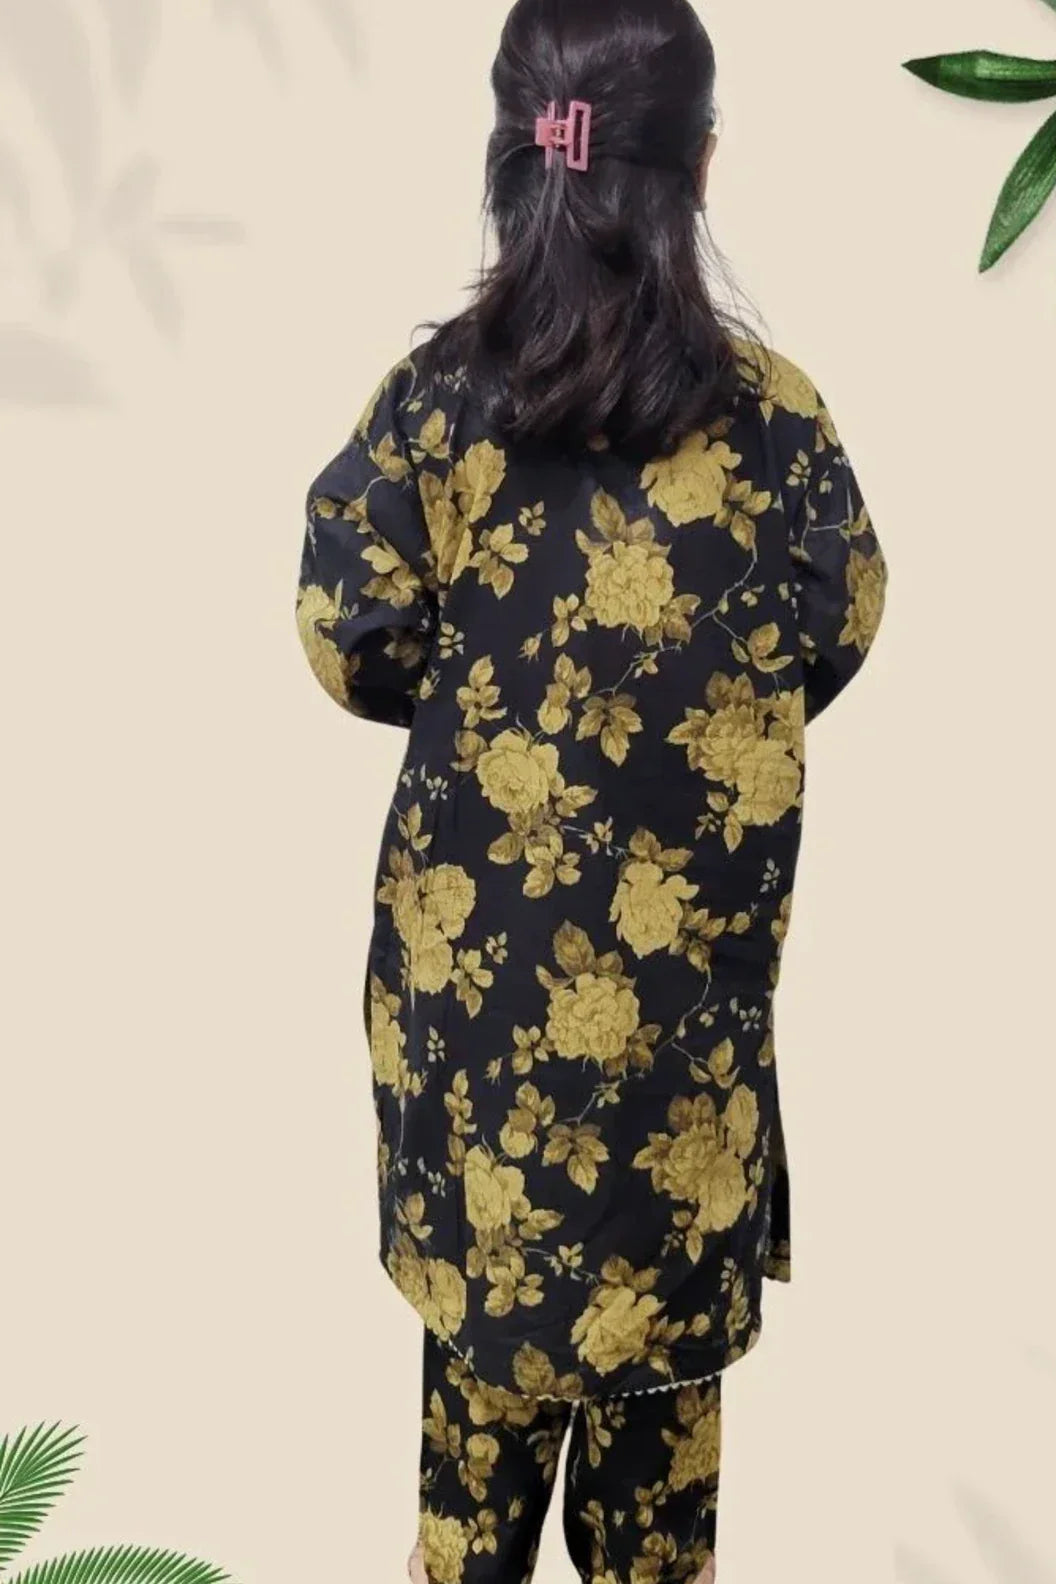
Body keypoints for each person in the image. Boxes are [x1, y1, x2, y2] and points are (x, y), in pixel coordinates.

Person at [294, 1, 888, 1579]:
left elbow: (349, 640)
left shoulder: (431, 409)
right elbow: (836, 630)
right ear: (701, 165)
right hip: (678, 1070)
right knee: (658, 1534)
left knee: (467, 1511)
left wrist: (500, 708)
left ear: (511, 156)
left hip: (480, 1057)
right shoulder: (777, 425)